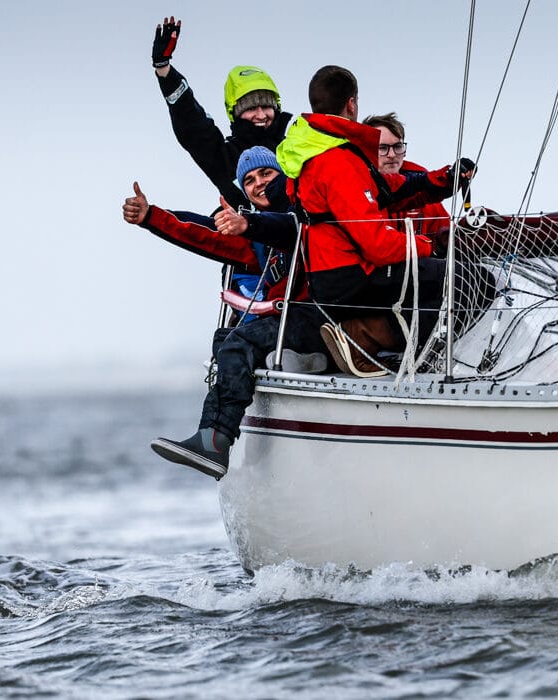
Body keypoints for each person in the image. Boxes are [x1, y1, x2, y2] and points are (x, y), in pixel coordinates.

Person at [123, 147, 327, 479]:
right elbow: (204, 233)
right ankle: (214, 434)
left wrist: (249, 223)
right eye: (249, 180)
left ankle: (216, 441)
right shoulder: (254, 233)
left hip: (316, 320)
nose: (258, 184)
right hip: (287, 319)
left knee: (238, 345)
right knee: (224, 339)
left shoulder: (302, 212)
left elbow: (291, 228)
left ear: (283, 177)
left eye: (266, 174)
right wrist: (151, 216)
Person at [276, 66, 478, 375]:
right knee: (467, 280)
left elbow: (395, 189)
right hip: (350, 277)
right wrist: (430, 246)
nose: (392, 153)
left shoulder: (322, 149)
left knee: (433, 280)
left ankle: (375, 339)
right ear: (352, 104)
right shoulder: (337, 161)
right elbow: (378, 247)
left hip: (334, 274)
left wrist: (446, 179)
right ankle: (366, 339)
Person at [151, 17, 294, 206]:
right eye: (250, 108)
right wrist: (164, 69)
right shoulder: (224, 157)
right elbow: (193, 124)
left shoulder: (296, 146)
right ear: (234, 113)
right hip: (246, 233)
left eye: (266, 106)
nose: (261, 115)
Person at [363, 112, 451, 243]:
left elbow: (450, 238)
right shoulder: (357, 188)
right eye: (382, 148)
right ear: (366, 151)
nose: (392, 155)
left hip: (417, 260)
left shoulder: (422, 190)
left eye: (397, 146)